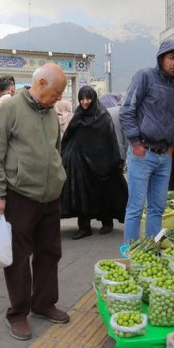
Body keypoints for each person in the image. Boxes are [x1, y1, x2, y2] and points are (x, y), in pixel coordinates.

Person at [0, 63, 70, 340]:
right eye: (57, 92)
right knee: (18, 258)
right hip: (19, 195)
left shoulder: (50, 113)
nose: (59, 98)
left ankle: (44, 304)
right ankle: (18, 312)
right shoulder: (9, 109)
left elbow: (55, 149)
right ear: (41, 84)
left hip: (50, 195)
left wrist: (58, 176)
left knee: (50, 252)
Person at [119, 40, 174, 243]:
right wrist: (136, 143)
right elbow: (126, 111)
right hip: (142, 153)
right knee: (136, 208)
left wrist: (171, 147)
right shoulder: (145, 76)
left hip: (164, 156)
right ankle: (130, 253)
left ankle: (152, 250)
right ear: (161, 58)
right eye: (171, 58)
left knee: (157, 208)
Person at [61, 85, 127, 239]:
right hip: (81, 163)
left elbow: (110, 139)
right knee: (81, 194)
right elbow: (68, 136)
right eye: (82, 99)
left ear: (93, 98)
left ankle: (107, 222)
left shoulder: (102, 115)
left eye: (87, 98)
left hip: (101, 162)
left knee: (102, 193)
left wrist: (115, 161)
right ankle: (84, 227)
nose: (84, 102)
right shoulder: (78, 115)